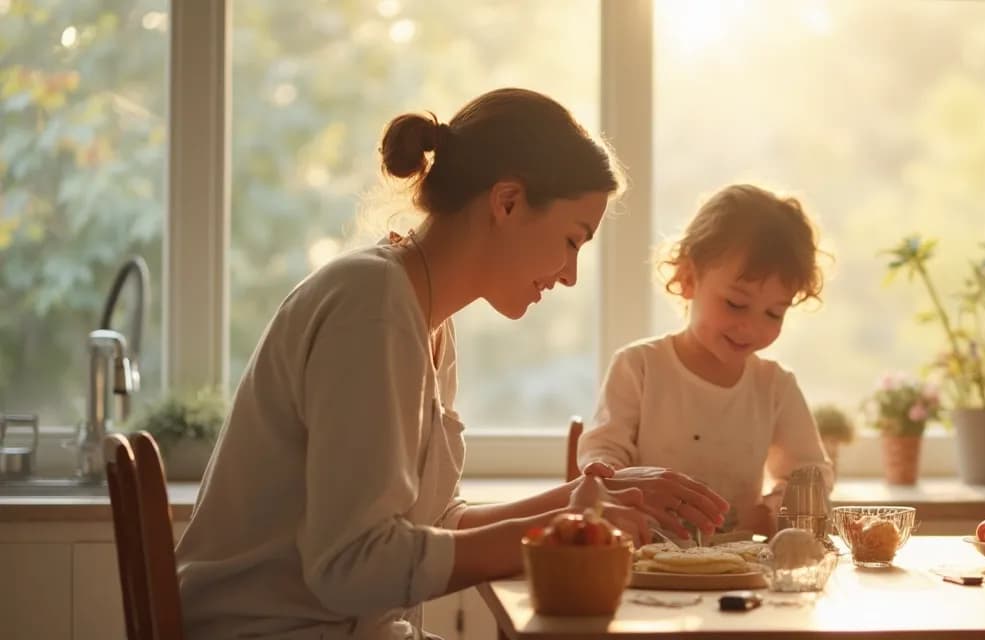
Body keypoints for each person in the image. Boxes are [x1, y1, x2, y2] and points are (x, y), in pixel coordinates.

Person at [174, 88, 727, 639]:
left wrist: (589, 498)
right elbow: (353, 565)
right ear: (507, 201)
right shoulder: (371, 306)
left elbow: (433, 525)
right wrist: (562, 528)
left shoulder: (424, 314)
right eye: (572, 240)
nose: (570, 274)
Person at [577, 184, 835, 538]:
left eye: (774, 313)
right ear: (687, 278)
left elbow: (811, 475)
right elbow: (604, 452)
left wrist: (771, 513)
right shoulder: (639, 366)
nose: (751, 327)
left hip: (739, 567)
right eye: (735, 304)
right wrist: (608, 478)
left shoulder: (775, 386)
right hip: (647, 561)